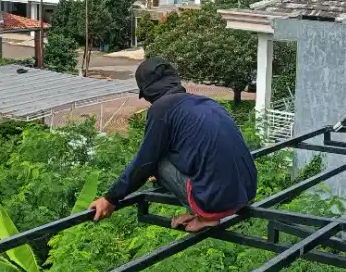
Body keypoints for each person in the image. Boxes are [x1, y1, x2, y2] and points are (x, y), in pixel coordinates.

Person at [89, 57, 258, 232]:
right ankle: (202, 211)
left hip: (214, 201)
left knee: (156, 163)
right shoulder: (206, 103)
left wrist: (110, 198)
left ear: (148, 92)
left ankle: (205, 217)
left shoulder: (161, 109)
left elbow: (144, 163)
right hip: (246, 192)